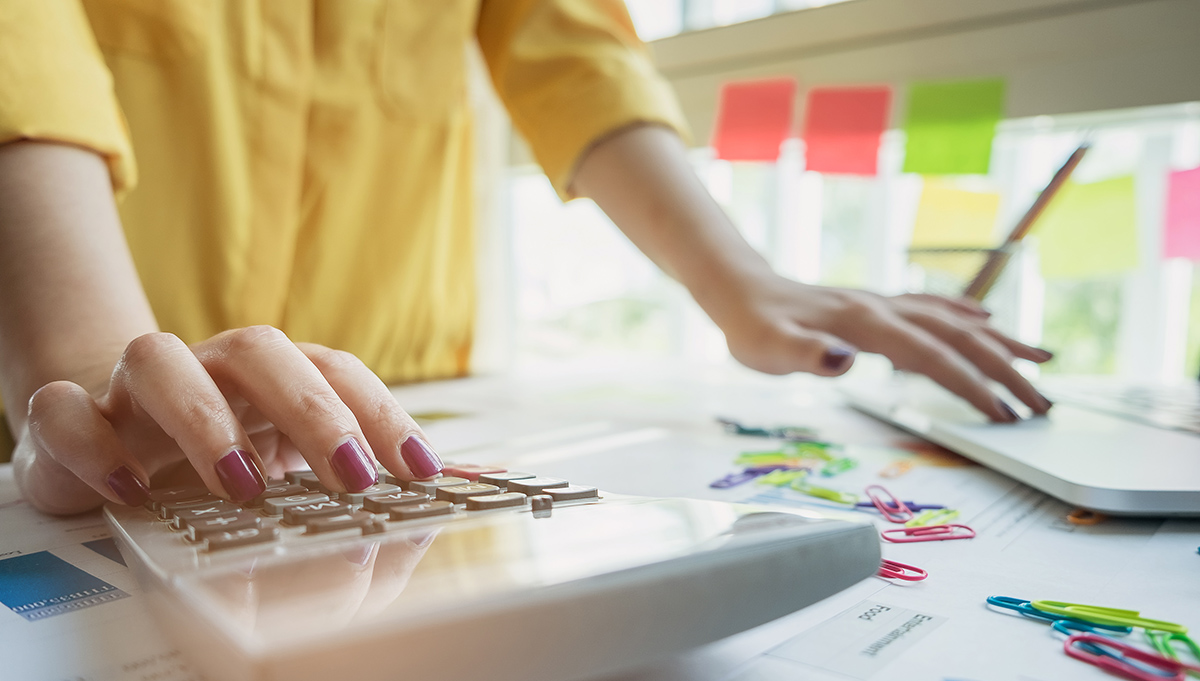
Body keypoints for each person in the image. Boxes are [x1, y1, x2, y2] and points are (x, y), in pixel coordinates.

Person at [0, 1, 1051, 516]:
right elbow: (22, 56)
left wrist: (741, 280)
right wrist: (93, 367)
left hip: (402, 378)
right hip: (86, 369)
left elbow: (574, 52)